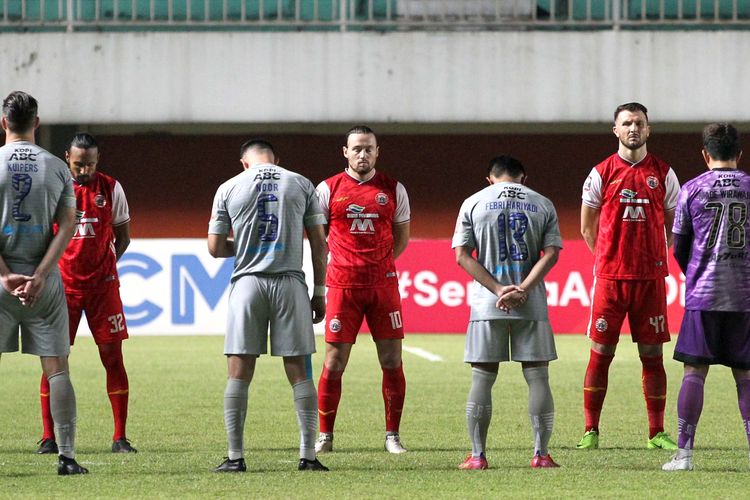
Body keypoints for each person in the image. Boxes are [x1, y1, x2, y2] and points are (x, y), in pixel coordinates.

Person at [208, 139, 329, 472]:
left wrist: (248, 244)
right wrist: (320, 291)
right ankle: (307, 456)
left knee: (239, 371)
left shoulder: (229, 187)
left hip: (248, 285)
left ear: (244, 163)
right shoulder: (300, 183)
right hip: (289, 282)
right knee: (299, 371)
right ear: (276, 159)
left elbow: (215, 248)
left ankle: (235, 457)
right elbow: (319, 242)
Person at [578, 102, 680, 450]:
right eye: (626, 123)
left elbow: (674, 225)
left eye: (639, 123)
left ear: (648, 129)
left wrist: (656, 254)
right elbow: (587, 228)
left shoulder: (663, 173)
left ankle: (656, 433)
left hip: (650, 280)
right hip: (610, 279)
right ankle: (591, 430)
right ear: (616, 130)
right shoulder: (600, 172)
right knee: (600, 353)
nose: (633, 128)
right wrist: (609, 259)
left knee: (652, 356)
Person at [452, 155, 562, 469]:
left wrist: (499, 289)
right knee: (538, 376)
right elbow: (552, 253)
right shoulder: (542, 203)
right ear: (522, 178)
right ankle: (541, 455)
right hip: (532, 302)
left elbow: (462, 255)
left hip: (488, 303)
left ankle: (477, 456)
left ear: (490, 178)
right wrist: (523, 288)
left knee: (482, 377)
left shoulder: (473, 202)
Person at [0, 91, 88, 474]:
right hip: (44, 280)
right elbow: (68, 225)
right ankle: (67, 457)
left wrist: (5, 275)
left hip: (1, 280)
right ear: (37, 123)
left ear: (4, 122)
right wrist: (40, 274)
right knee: (57, 368)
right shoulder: (55, 167)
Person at [35, 133, 135, 455]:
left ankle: (120, 437)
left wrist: (106, 265)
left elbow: (124, 237)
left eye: (90, 164)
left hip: (102, 289)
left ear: (97, 160)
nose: (84, 170)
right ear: (67, 157)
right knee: (54, 362)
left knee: (112, 358)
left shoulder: (112, 188)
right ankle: (49, 437)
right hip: (62, 289)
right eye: (78, 164)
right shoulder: (53, 187)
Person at [314, 125, 410, 454]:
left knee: (391, 360)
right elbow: (318, 238)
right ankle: (325, 436)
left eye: (368, 148)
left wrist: (379, 263)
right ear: (345, 152)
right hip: (343, 286)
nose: (362, 154)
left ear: (377, 151)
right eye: (356, 149)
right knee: (334, 359)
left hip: (383, 286)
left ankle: (392, 436)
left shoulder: (393, 189)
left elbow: (401, 239)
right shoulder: (327, 189)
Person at [662, 123, 750, 471]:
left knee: (694, 371)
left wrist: (698, 272)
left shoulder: (691, 189)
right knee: (745, 376)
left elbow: (680, 246)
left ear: (705, 154)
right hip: (745, 297)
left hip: (704, 295)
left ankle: (684, 455)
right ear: (739, 154)